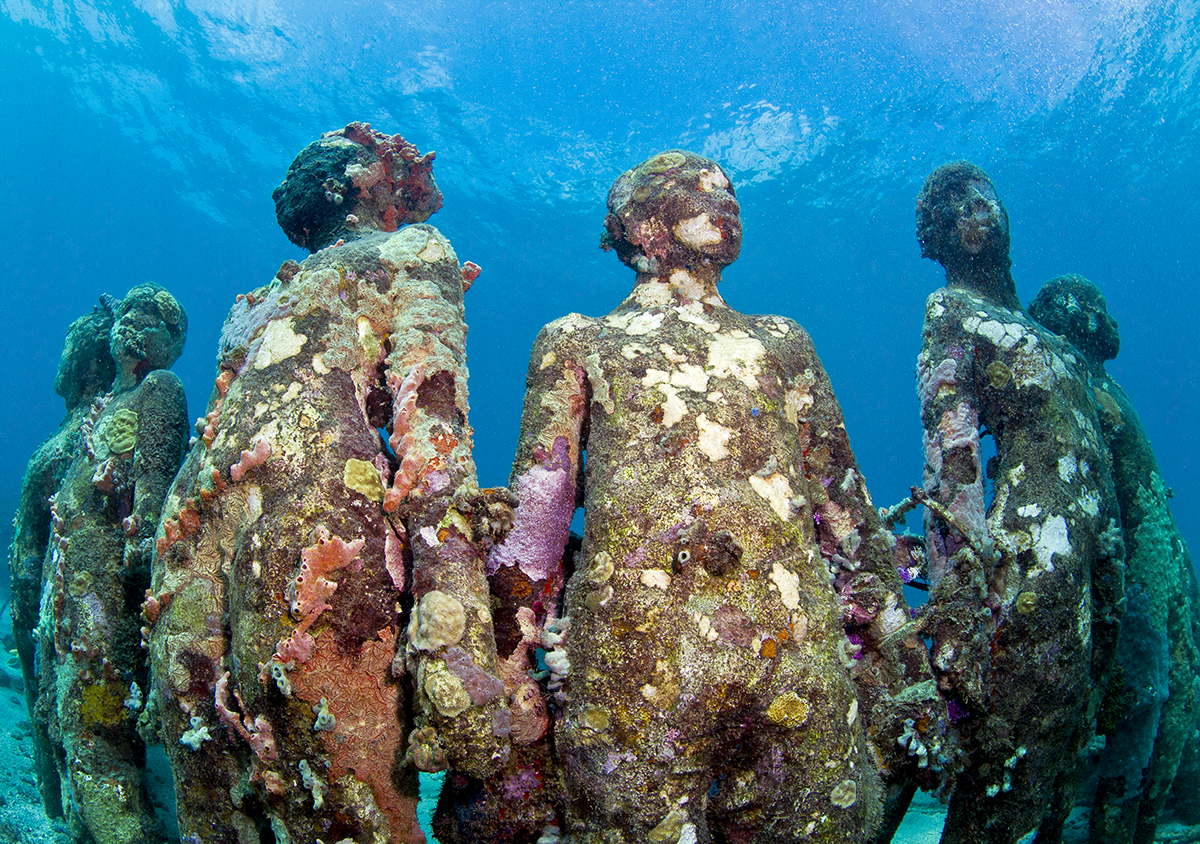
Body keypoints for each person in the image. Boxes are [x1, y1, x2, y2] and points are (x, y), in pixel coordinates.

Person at [491, 149, 940, 842]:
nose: (724, 200)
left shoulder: (781, 342)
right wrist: (510, 665)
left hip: (796, 655)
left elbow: (842, 508)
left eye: (729, 191)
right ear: (639, 221)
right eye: (697, 189)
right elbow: (536, 522)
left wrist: (894, 638)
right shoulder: (579, 342)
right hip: (633, 660)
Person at [147, 123, 502, 844]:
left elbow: (425, 421)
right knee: (267, 777)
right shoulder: (286, 293)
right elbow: (431, 432)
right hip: (256, 516)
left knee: (288, 781)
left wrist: (453, 629)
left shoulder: (367, 265)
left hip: (259, 515)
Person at [915, 162, 1124, 843]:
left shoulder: (1036, 328)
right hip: (1034, 554)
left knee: (1066, 749)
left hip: (1090, 551)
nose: (977, 217)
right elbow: (952, 454)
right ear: (937, 236)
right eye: (956, 212)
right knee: (1010, 755)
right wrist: (960, 588)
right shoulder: (953, 311)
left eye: (985, 202)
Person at [1029, 274, 1199, 843]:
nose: (1113, 324)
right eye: (1099, 311)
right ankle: (1122, 823)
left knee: (1170, 687)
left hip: (1155, 556)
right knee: (1151, 694)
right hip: (1139, 568)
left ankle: (1134, 814)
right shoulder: (1083, 392)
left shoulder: (1096, 389)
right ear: (1078, 322)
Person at [36, 283, 189, 844]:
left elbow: (153, 486)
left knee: (96, 724)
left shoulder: (161, 390)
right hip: (71, 582)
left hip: (106, 584)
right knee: (66, 713)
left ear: (172, 344)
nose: (136, 323)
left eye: (155, 319)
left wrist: (139, 556)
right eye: (129, 311)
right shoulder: (102, 407)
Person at [9, 302, 116, 820]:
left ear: (82, 362)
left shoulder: (64, 446)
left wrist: (24, 608)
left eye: (69, 346)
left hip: (62, 608)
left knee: (52, 706)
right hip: (77, 602)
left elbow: (30, 548)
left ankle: (57, 803)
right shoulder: (100, 430)